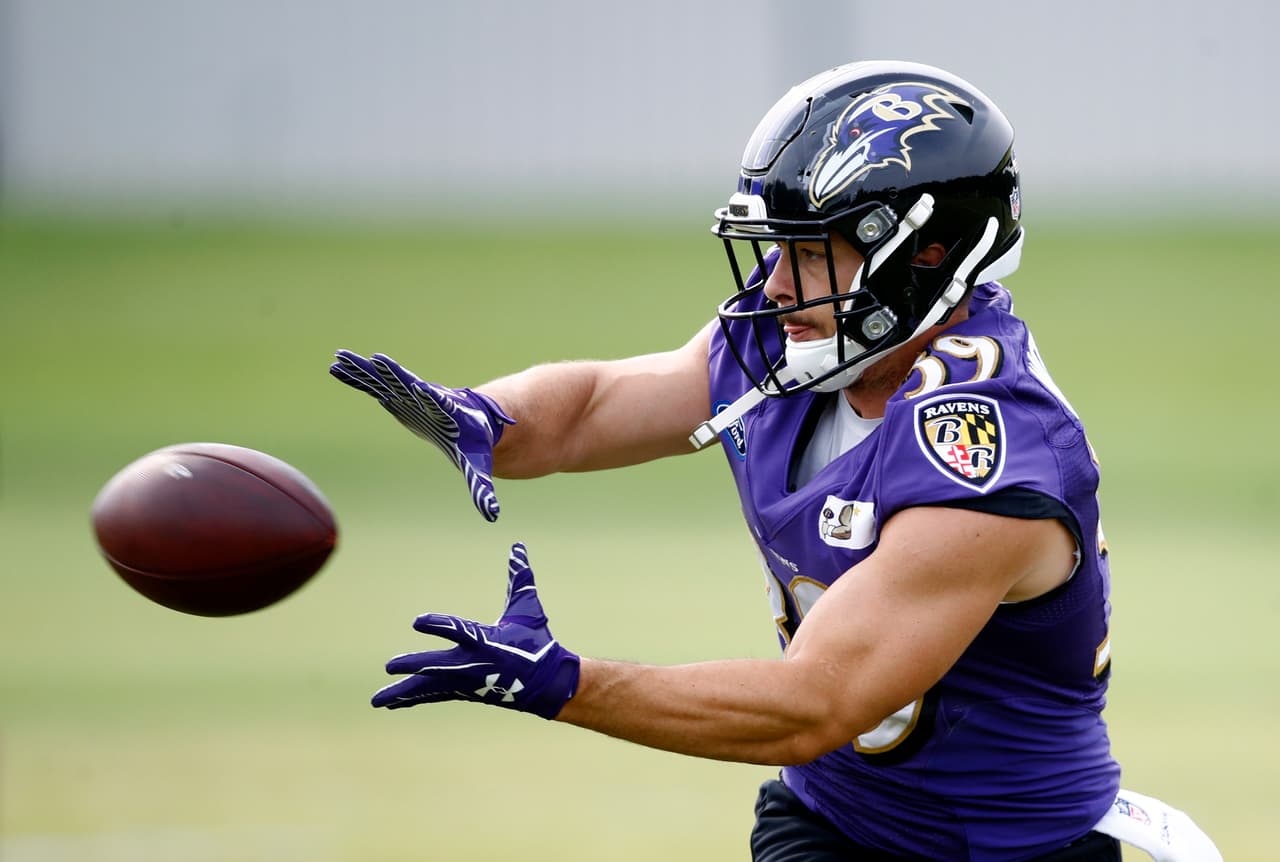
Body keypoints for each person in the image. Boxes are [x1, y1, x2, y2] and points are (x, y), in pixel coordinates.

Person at [331, 60, 1220, 862]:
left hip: (1005, 851)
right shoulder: (812, 342)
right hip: (830, 820)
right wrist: (482, 416)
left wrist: (568, 683)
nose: (778, 286)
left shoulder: (986, 454)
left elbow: (812, 707)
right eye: (778, 249)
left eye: (811, 251)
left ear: (925, 254)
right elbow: (597, 404)